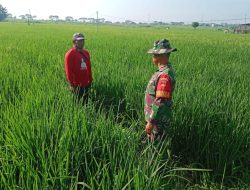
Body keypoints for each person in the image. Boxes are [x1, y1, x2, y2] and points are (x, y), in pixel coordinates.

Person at [144, 39, 177, 142]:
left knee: (156, 148)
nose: (152, 57)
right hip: (157, 119)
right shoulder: (163, 71)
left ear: (161, 56)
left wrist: (151, 121)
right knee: (154, 143)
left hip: (158, 121)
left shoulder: (164, 75)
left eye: (154, 54)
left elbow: (160, 100)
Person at [64, 33, 93, 104]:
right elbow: (68, 71)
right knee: (77, 104)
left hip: (86, 83)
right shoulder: (70, 54)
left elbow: (89, 67)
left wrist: (90, 79)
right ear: (74, 41)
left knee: (85, 102)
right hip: (76, 85)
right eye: (79, 41)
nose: (82, 42)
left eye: (83, 40)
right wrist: (72, 84)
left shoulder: (86, 53)